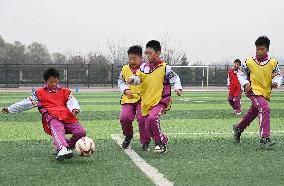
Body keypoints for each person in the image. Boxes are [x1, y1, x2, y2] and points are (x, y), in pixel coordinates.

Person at [2, 67, 86, 160]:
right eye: (51, 82)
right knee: (58, 130)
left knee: (81, 132)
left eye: (55, 81)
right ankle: (62, 148)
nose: (54, 84)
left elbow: (72, 101)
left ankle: (67, 146)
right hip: (52, 118)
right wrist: (10, 109)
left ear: (58, 80)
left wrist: (75, 108)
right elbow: (25, 103)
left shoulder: (65, 92)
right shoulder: (39, 93)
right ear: (45, 81)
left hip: (68, 117)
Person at [128, 40, 182, 153]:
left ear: (158, 53)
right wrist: (133, 80)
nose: (147, 55)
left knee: (153, 118)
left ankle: (160, 144)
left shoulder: (165, 67)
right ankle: (164, 139)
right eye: (146, 53)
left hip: (161, 99)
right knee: (148, 127)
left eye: (150, 53)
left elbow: (175, 78)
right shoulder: (143, 67)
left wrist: (177, 87)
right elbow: (139, 79)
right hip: (147, 101)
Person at [233, 36, 282, 148]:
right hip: (253, 91)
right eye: (257, 49)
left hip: (264, 92)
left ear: (267, 49)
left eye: (262, 49)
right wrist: (245, 83)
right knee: (264, 108)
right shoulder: (249, 61)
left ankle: (238, 128)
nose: (259, 52)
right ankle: (264, 138)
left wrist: (276, 82)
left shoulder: (272, 63)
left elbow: (278, 76)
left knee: (255, 111)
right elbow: (241, 74)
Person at [118, 45, 150, 151]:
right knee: (124, 118)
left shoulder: (146, 68)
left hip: (142, 99)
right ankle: (128, 136)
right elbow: (121, 82)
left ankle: (145, 141)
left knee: (142, 119)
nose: (131, 61)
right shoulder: (125, 69)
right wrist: (125, 90)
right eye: (130, 58)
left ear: (141, 58)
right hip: (128, 99)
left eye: (134, 58)